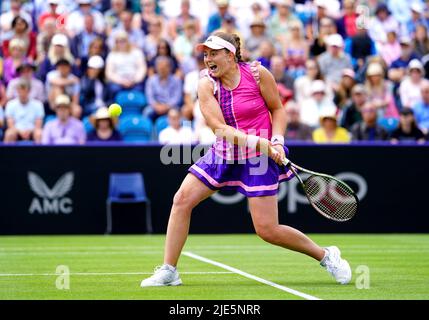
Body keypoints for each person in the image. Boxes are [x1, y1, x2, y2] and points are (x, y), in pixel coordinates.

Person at [140, 32, 352, 287]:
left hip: (258, 160)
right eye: (205, 54)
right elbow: (218, 127)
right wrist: (259, 142)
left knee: (267, 230)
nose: (208, 59)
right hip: (224, 153)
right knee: (181, 200)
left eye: (214, 53)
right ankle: (169, 270)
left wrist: (277, 141)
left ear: (230, 55)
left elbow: (278, 109)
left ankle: (326, 256)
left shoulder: (258, 74)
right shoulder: (206, 83)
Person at [4, 79, 44, 143]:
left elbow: (38, 125)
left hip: (32, 130)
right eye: (20, 90)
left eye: (25, 90)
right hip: (16, 130)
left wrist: (30, 131)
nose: (22, 93)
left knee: (39, 133)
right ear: (17, 90)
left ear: (29, 91)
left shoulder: (38, 104)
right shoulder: (10, 104)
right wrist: (20, 131)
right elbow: (10, 124)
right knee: (9, 134)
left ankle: (40, 153)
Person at [144, 56, 183, 122]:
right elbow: (149, 97)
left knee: (178, 114)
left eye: (165, 67)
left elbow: (177, 98)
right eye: (160, 66)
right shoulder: (151, 80)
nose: (162, 69)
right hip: (155, 107)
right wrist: (156, 106)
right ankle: (149, 132)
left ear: (170, 68)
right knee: (147, 112)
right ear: (156, 68)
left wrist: (166, 106)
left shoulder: (176, 80)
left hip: (171, 107)